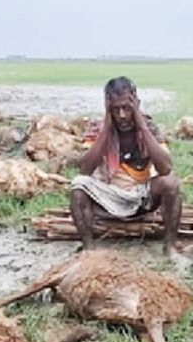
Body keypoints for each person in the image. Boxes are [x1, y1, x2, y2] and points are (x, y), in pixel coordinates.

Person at [70, 77, 182, 257]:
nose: (121, 115)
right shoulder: (98, 127)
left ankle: (170, 247)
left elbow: (165, 168)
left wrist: (141, 126)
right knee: (78, 185)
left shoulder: (148, 125)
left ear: (136, 104)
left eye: (127, 108)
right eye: (115, 109)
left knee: (171, 183)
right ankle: (88, 249)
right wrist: (106, 128)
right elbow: (85, 169)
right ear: (107, 106)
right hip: (107, 196)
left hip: (141, 196)